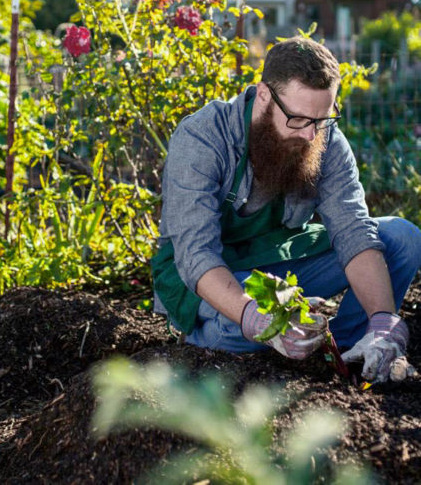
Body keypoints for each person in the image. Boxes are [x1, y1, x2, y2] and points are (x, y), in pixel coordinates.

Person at [151, 36, 421, 384]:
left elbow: (353, 230)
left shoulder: (324, 138)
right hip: (212, 276)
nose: (311, 134)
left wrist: (384, 321)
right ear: (264, 95)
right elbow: (196, 254)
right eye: (298, 119)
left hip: (279, 263)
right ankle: (206, 342)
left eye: (321, 119)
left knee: (403, 238)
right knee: (249, 322)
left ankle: (353, 351)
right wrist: (254, 316)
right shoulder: (203, 137)